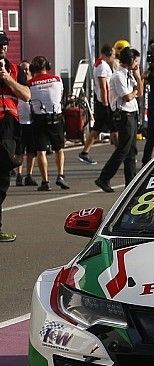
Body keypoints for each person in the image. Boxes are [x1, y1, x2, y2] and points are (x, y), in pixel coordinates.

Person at [95, 47, 143, 192]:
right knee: (123, 149)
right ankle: (104, 177)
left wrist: (138, 75)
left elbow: (139, 92)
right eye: (135, 61)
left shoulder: (130, 74)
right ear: (129, 61)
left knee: (132, 150)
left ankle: (131, 182)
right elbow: (127, 97)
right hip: (123, 114)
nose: (137, 63)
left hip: (132, 112)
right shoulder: (118, 76)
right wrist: (134, 91)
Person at [0, 32, 30, 242]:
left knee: (2, 180)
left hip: (8, 127)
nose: (2, 48)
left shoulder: (14, 69)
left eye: (4, 45)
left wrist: (7, 79)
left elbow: (26, 95)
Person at [28, 56, 68, 192]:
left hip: (39, 119)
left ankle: (45, 181)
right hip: (55, 117)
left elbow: (28, 99)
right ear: (48, 66)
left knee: (41, 151)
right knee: (59, 149)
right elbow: (61, 95)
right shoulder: (57, 79)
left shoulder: (30, 83)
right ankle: (60, 175)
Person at [78, 44, 116, 165]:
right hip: (104, 102)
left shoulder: (101, 64)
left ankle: (85, 152)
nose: (114, 57)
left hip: (104, 101)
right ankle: (121, 152)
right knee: (114, 127)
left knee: (98, 128)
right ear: (108, 54)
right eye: (113, 55)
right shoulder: (102, 66)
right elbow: (103, 86)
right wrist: (105, 103)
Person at [14, 60, 36, 187]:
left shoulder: (33, 84)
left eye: (27, 69)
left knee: (32, 151)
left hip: (32, 121)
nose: (25, 71)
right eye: (22, 69)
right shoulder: (16, 85)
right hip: (20, 121)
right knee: (19, 151)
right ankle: (19, 175)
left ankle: (29, 175)